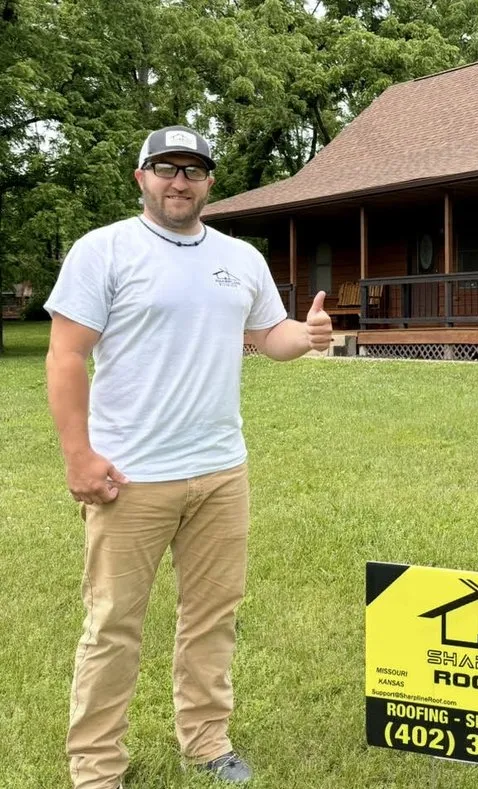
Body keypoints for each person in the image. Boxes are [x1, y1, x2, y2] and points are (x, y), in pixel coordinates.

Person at [44, 125, 333, 789]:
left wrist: (307, 333)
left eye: (194, 170)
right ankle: (96, 767)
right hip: (130, 478)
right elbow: (64, 355)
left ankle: (206, 743)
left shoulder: (238, 258)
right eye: (167, 168)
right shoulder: (104, 251)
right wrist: (78, 456)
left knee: (213, 615)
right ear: (141, 177)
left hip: (220, 472)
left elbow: (268, 334)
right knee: (113, 623)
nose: (180, 181)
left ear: (208, 181)